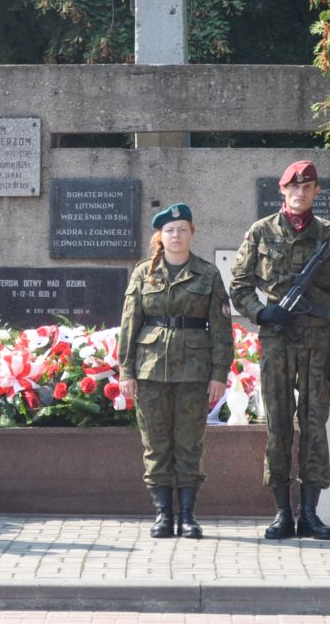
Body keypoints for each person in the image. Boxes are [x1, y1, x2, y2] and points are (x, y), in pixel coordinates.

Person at [229, 159, 330, 541]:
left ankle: (312, 514)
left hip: (318, 343)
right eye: (293, 187)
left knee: (315, 425)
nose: (300, 193)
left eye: (308, 187)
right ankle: (283, 513)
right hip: (277, 342)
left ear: (316, 192)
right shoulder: (260, 232)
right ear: (282, 191)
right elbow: (238, 285)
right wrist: (262, 312)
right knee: (279, 426)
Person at [117, 202, 233, 539]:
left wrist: (219, 373)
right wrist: (126, 371)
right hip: (150, 370)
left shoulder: (208, 274)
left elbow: (222, 329)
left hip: (194, 372)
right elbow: (129, 324)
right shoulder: (144, 273)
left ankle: (188, 516)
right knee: (155, 444)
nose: (176, 235)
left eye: (183, 229)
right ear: (160, 236)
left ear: (192, 234)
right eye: (169, 230)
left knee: (189, 443)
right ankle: (163, 515)